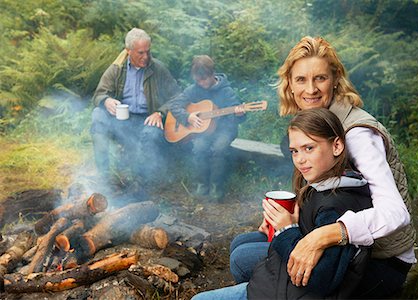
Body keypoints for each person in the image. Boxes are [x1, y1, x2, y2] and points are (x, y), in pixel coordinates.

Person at [229, 36, 416, 298]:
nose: (311, 90)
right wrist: (289, 216)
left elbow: (396, 213)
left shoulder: (357, 134)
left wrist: (325, 235)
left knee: (242, 258)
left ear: (335, 80)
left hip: (379, 260)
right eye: (301, 80)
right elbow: (326, 191)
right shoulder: (313, 122)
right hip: (344, 244)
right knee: (242, 243)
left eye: (320, 78)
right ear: (290, 86)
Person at [193, 108, 374, 299]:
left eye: (309, 148)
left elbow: (319, 279)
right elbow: (311, 227)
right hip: (282, 281)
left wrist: (286, 229)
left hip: (296, 292)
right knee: (241, 243)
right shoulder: (326, 182)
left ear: (337, 146)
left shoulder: (337, 205)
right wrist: (285, 223)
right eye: (294, 151)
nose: (300, 159)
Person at [90, 28, 180, 186]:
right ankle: (104, 175)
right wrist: (106, 101)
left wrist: (160, 113)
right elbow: (98, 94)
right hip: (123, 120)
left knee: (151, 134)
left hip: (147, 119)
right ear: (128, 51)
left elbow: (178, 97)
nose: (145, 57)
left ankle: (140, 181)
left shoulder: (158, 69)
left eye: (148, 51)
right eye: (140, 53)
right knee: (98, 115)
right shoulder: (117, 69)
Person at [168, 55, 245, 201]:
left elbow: (241, 118)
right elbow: (175, 105)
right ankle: (201, 185)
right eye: (198, 80)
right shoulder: (193, 89)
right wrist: (188, 117)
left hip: (225, 130)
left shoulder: (226, 91)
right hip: (204, 131)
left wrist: (239, 114)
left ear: (212, 74)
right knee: (199, 146)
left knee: (219, 148)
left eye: (204, 79)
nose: (201, 83)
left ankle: (216, 188)